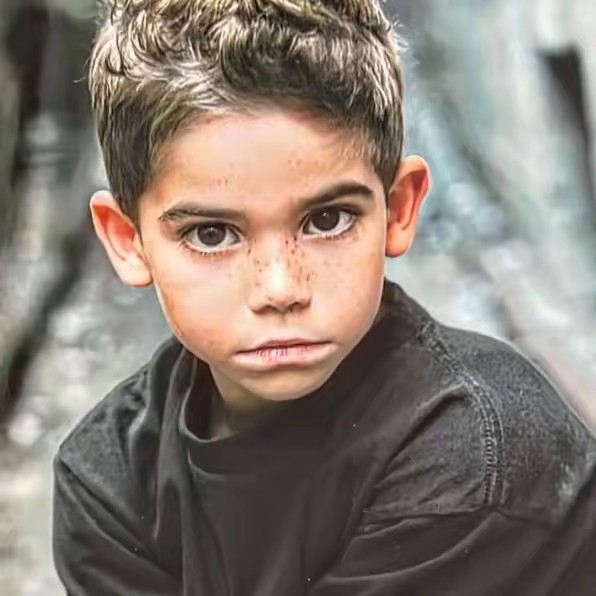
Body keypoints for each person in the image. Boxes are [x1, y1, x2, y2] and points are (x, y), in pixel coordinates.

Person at [51, 1, 596, 594]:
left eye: (327, 220)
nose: (281, 288)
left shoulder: (478, 454)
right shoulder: (108, 483)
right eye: (211, 234)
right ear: (127, 241)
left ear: (399, 208)